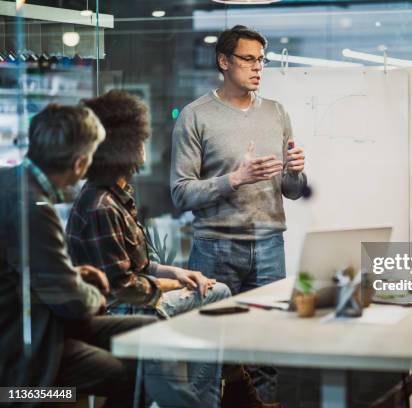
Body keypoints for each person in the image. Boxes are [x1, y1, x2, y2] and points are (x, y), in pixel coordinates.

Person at [67, 90, 278, 408]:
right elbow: (124, 287)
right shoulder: (101, 206)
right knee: (216, 295)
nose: (144, 147)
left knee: (213, 292)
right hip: (119, 309)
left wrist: (179, 272)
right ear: (120, 147)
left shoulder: (119, 195)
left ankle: (202, 398)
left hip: (134, 297)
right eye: (139, 141)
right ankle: (204, 401)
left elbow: (141, 265)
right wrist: (177, 283)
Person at [170, 25, 307, 401]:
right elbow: (180, 194)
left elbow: (293, 192)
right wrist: (235, 178)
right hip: (216, 246)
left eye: (261, 60)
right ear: (223, 62)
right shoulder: (195, 116)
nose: (257, 68)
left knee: (266, 353)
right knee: (211, 354)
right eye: (248, 59)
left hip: (268, 245)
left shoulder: (277, 112)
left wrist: (295, 171)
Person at [0, 104, 155, 407]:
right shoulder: (34, 207)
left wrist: (76, 275)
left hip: (36, 318)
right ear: (81, 162)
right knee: (127, 373)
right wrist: (96, 295)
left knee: (148, 332)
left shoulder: (12, 182)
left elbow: (30, 269)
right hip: (23, 340)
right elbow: (71, 301)